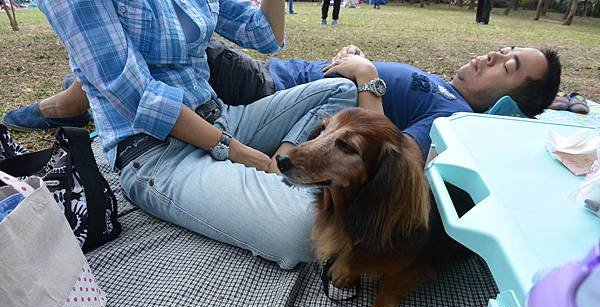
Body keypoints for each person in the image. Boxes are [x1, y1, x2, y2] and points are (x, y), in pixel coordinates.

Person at [30, 0, 365, 271]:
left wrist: (274, 158)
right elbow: (134, 94)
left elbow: (265, 36)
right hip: (156, 150)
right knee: (303, 228)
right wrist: (229, 148)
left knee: (338, 90)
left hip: (220, 115)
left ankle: (278, 165)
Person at [5, 39, 561, 160]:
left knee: (173, 45)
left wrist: (365, 76)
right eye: (503, 49)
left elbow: (392, 155)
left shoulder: (456, 118)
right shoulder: (442, 85)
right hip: (278, 80)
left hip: (273, 92)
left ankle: (60, 108)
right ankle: (82, 113)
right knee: (163, 59)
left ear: (511, 101)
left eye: (508, 67)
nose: (492, 56)